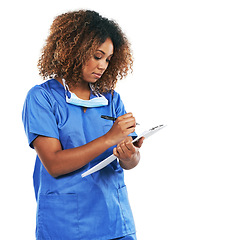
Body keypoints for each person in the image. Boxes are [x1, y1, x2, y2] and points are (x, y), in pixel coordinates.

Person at [22, 9, 144, 240]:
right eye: (97, 56)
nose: (103, 66)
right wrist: (109, 138)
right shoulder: (41, 98)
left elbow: (131, 160)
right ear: (74, 51)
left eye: (108, 59)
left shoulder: (111, 98)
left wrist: (130, 155)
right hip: (66, 224)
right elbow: (54, 164)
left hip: (116, 220)